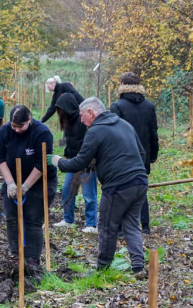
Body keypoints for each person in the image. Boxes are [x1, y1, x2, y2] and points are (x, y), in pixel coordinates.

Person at [49, 97, 148, 277]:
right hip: (140, 181)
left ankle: (102, 270)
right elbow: (141, 153)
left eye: (82, 115)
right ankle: (138, 267)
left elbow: (79, 162)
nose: (81, 120)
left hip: (117, 185)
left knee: (107, 226)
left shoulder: (95, 131)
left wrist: (58, 162)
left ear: (91, 112)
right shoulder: (125, 125)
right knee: (132, 225)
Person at [0, 105, 56, 274]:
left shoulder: (42, 133)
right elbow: (0, 158)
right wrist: (10, 183)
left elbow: (42, 163)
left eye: (20, 126)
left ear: (29, 120)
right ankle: (16, 256)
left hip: (39, 181)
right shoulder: (5, 131)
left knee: (33, 220)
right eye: (13, 126)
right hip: (13, 179)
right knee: (12, 218)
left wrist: (26, 186)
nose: (16, 130)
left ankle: (32, 259)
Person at [110, 72, 160, 233]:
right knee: (140, 189)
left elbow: (114, 134)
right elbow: (153, 133)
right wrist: (153, 155)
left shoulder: (117, 106)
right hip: (143, 155)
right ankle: (145, 226)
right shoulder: (149, 106)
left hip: (122, 155)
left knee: (121, 190)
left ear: (122, 85)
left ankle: (120, 228)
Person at [51, 91, 98, 234]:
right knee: (67, 190)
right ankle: (68, 220)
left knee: (89, 194)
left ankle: (92, 224)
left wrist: (87, 160)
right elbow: (69, 142)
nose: (59, 113)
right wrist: (66, 156)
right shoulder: (67, 122)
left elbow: (89, 143)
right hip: (72, 162)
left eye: (61, 110)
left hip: (87, 163)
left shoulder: (82, 120)